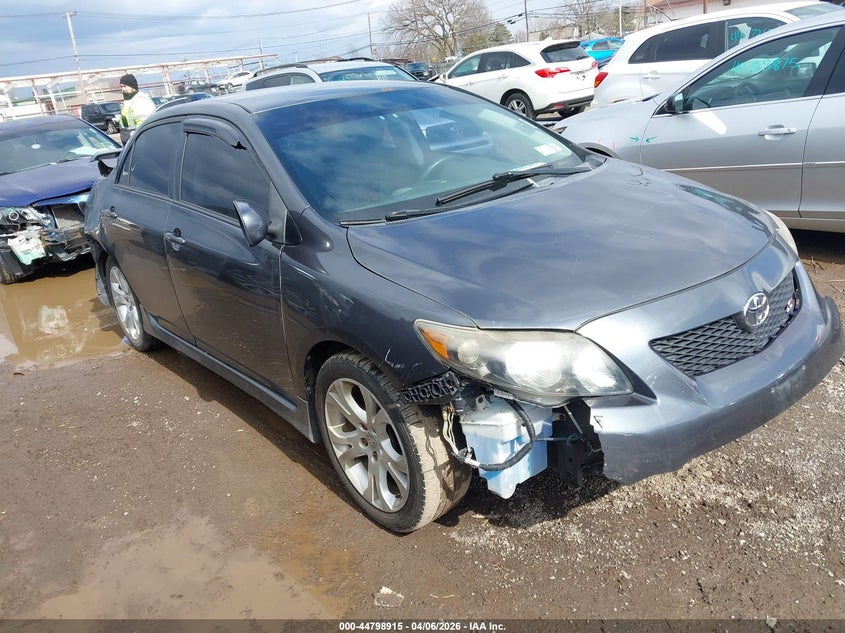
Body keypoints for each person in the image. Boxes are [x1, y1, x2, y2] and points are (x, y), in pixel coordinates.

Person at [118, 73, 155, 144]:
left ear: (133, 86)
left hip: (141, 140)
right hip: (132, 140)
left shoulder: (140, 100)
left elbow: (144, 125)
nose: (123, 89)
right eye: (121, 87)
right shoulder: (128, 101)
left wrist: (131, 134)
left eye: (125, 86)